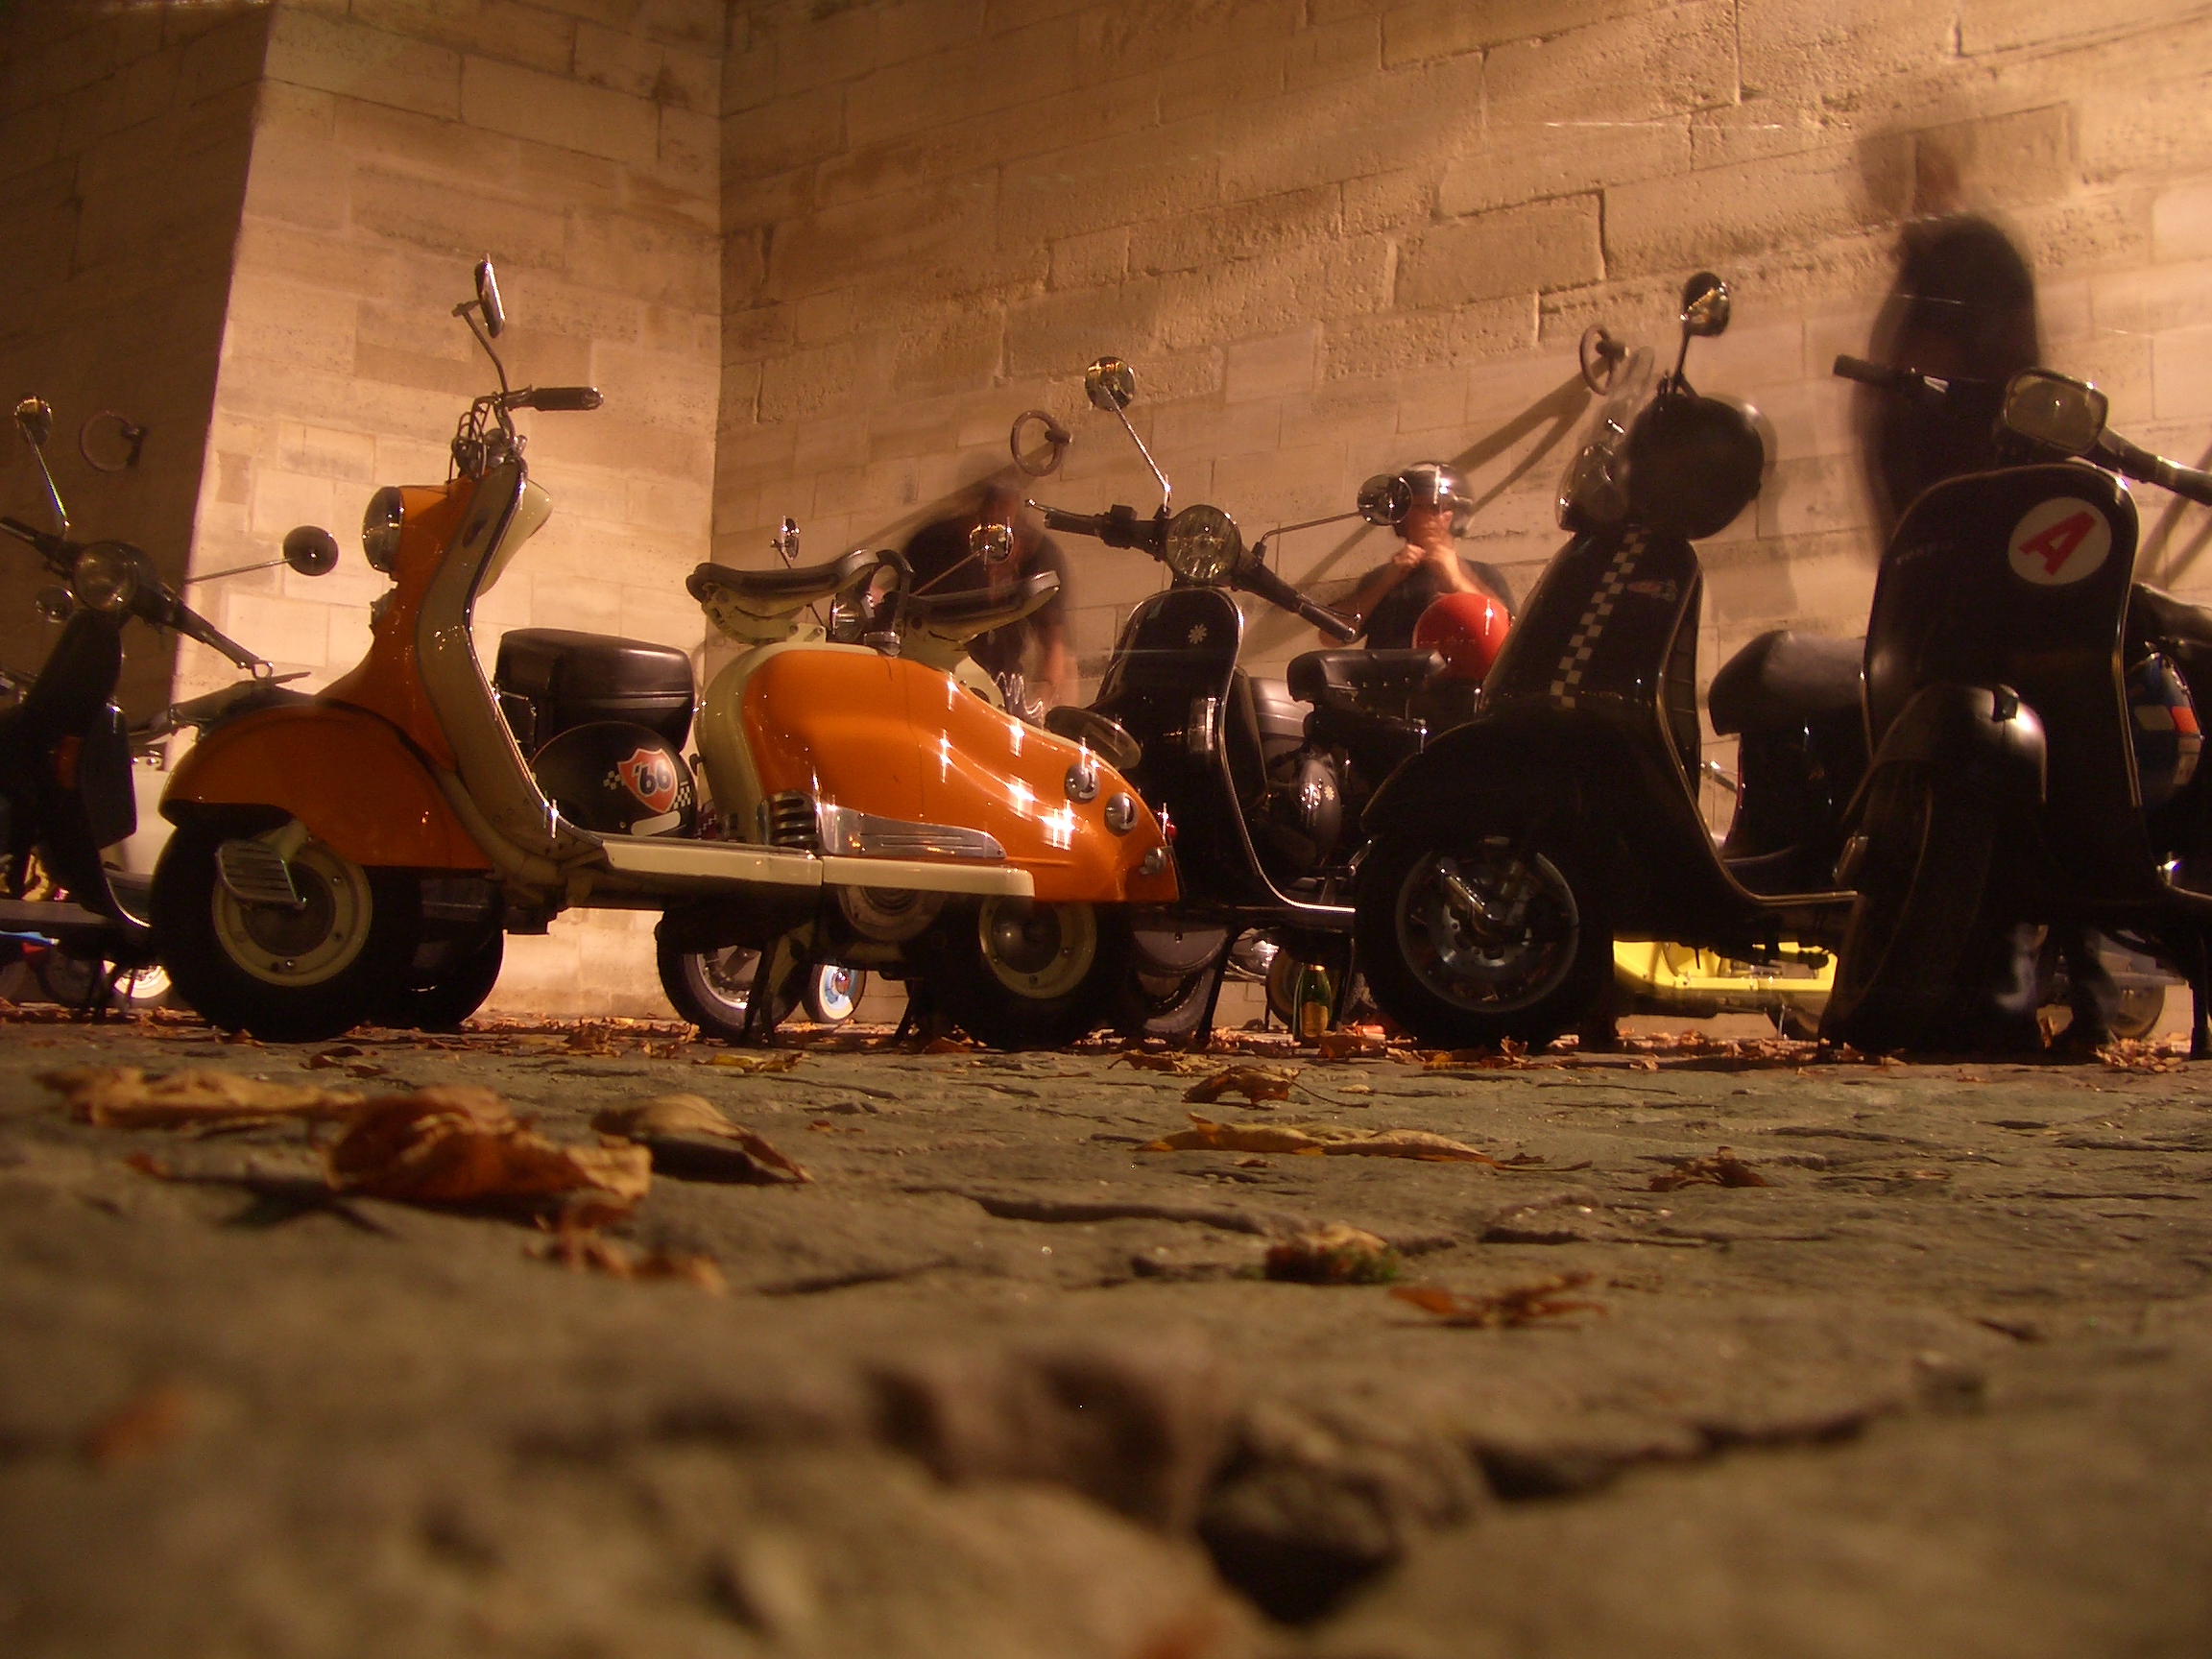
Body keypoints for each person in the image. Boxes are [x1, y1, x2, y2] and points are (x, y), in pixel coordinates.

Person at [901, 477, 1074, 709]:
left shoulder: (1040, 555)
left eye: (1007, 537)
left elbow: (1054, 643)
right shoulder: (932, 547)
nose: (998, 550)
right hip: (934, 677)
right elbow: (899, 616)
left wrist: (1044, 700)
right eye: (988, 534)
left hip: (1001, 692)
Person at [1328, 462, 1514, 648]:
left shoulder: (1483, 574)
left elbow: (1506, 635)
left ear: (1454, 514)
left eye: (1436, 507)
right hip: (1392, 666)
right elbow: (1330, 636)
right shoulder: (1381, 579)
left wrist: (1456, 580)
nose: (1428, 516)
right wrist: (1384, 584)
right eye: (1418, 507)